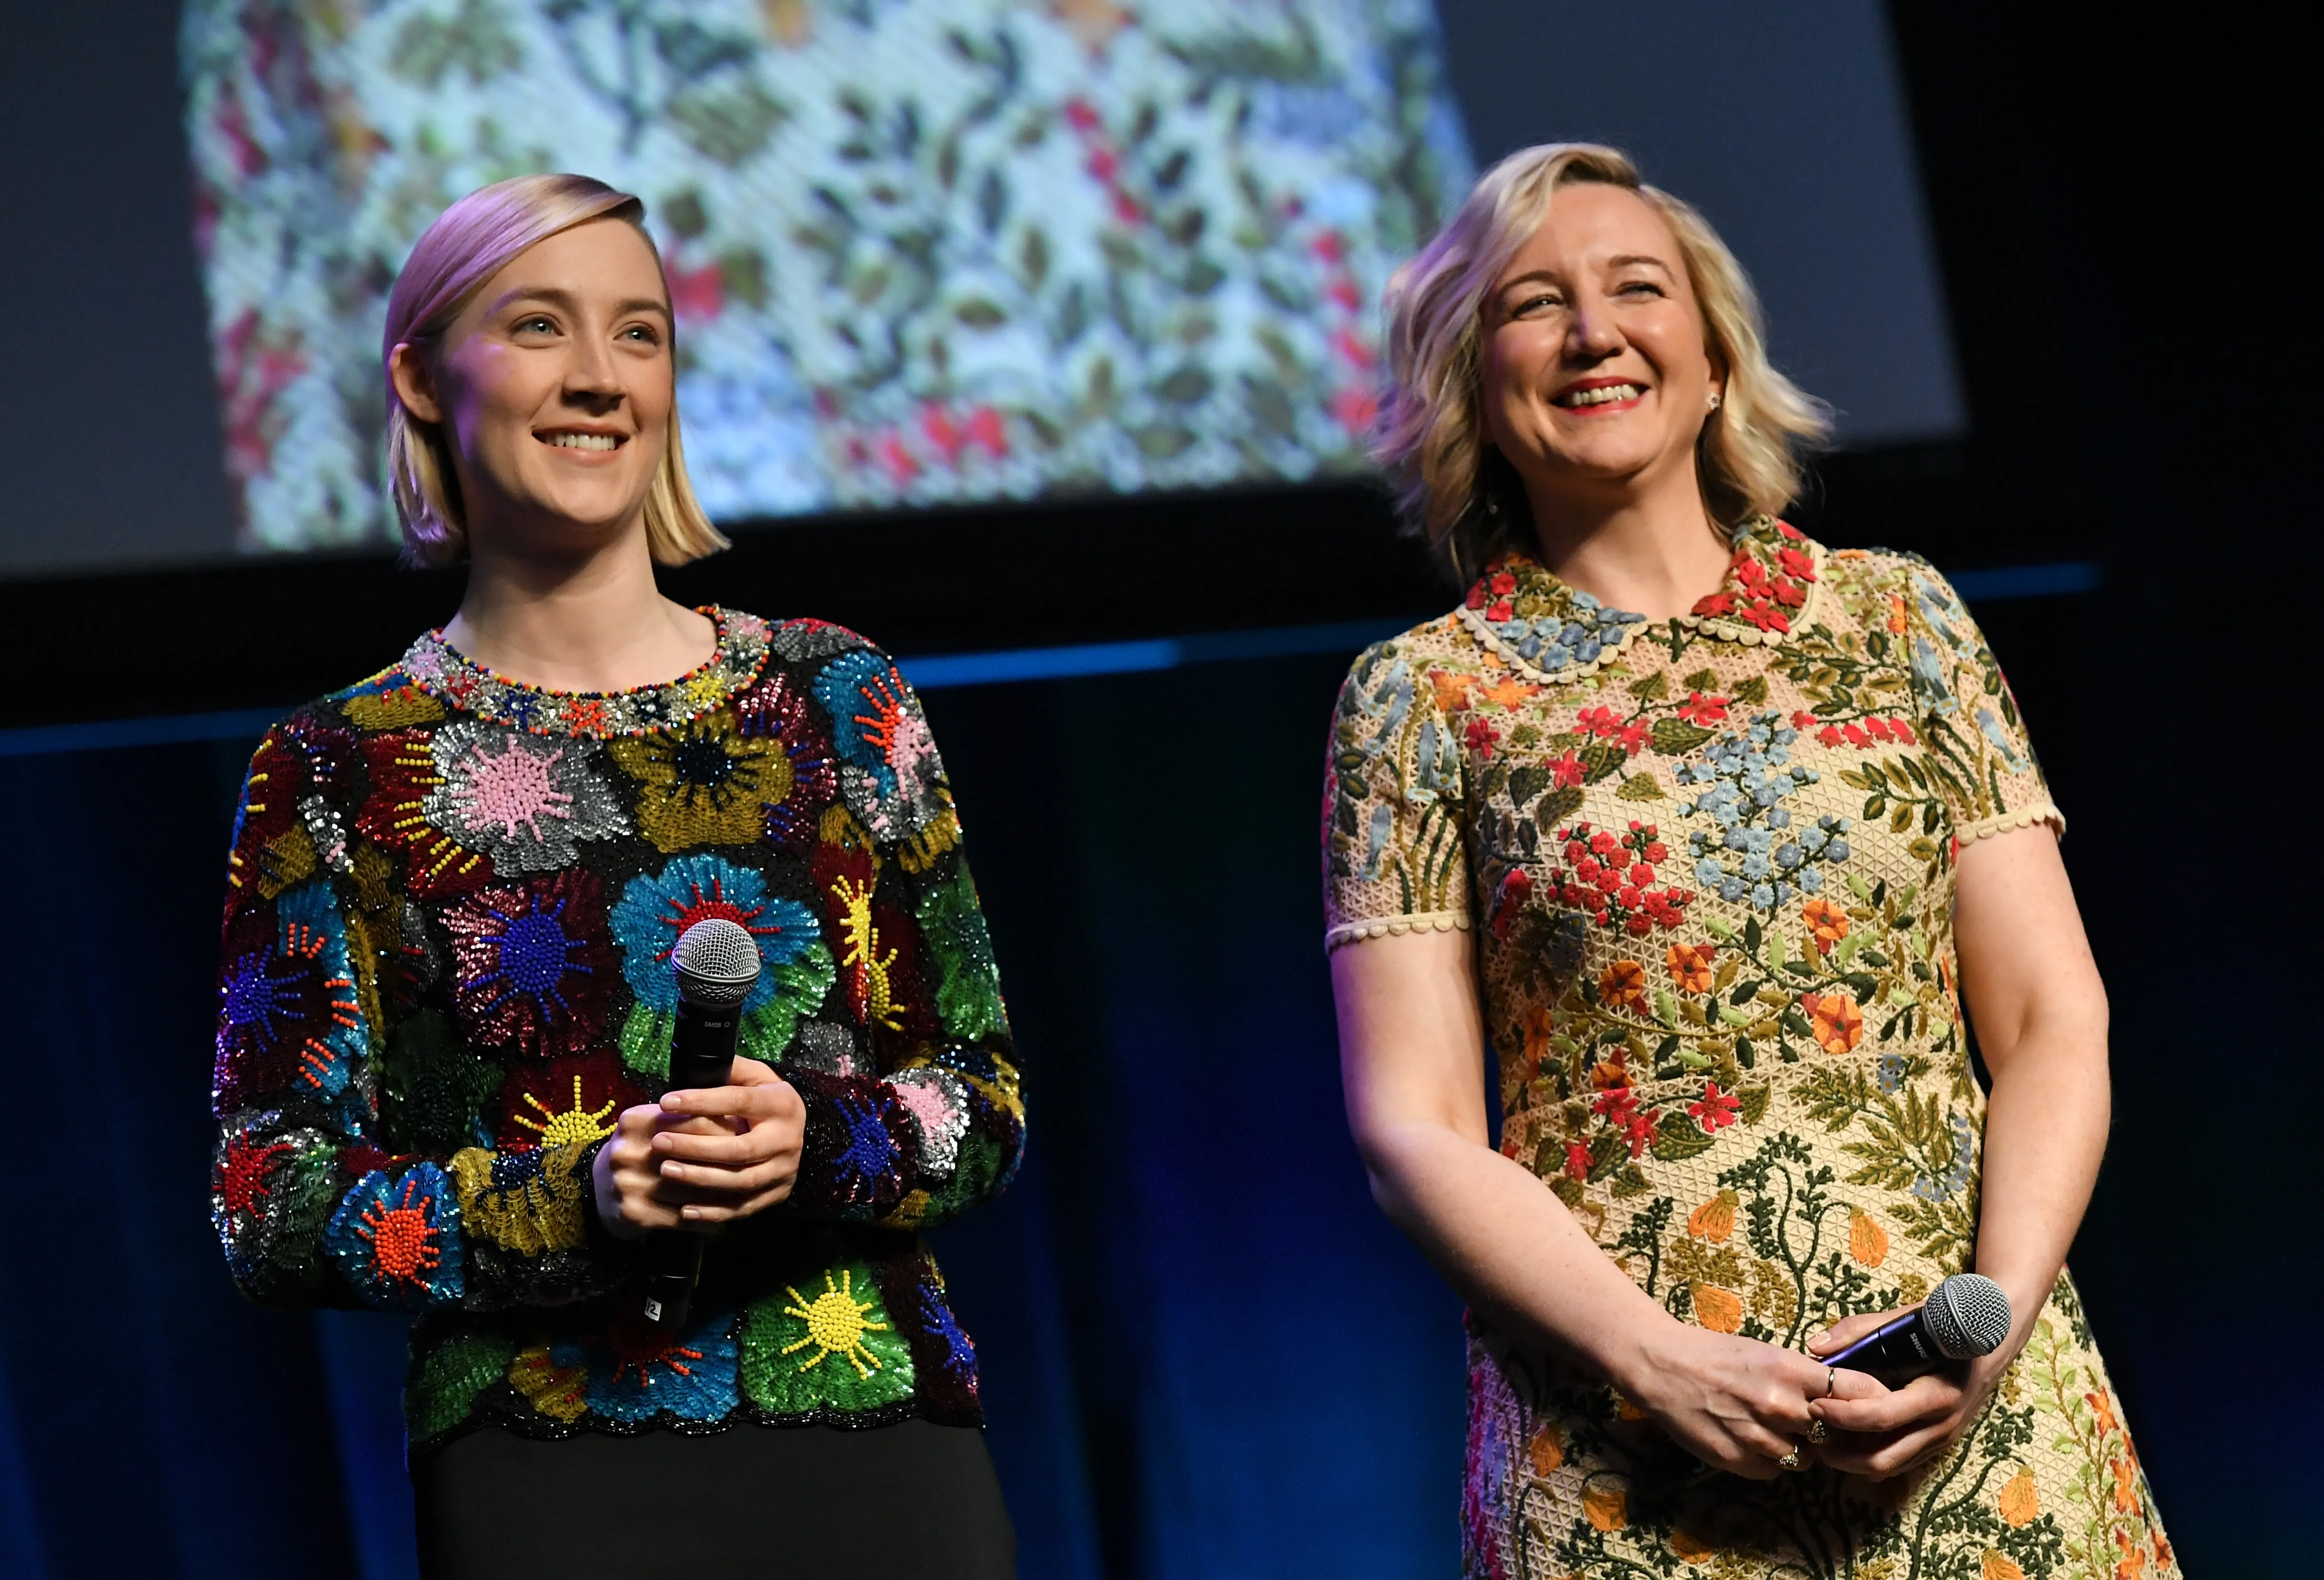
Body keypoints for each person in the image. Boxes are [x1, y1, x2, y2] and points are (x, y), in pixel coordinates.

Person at [1323, 143, 2174, 1577]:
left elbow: (2050, 1019)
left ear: (1712, 357)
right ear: (1474, 381)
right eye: (1534, 304)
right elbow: (1412, 1126)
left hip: (1974, 1419)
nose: (1593, 332)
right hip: (1625, 1458)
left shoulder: (1896, 619)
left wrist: (1994, 1322)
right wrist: (1655, 1360)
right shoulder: (1419, 697)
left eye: (1635, 288)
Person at [209, 174, 1020, 1578]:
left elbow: (985, 1096)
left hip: (876, 1441)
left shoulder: (837, 694)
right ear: (418, 375)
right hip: (543, 1477)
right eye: (539, 326)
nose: (597, 378)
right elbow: (268, 1203)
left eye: (638, 335)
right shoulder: (336, 767)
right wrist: (574, 1195)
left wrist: (818, 1143)